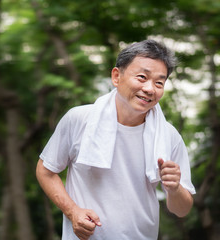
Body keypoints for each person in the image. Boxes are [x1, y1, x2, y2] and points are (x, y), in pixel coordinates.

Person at [36, 39, 196, 240]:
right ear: (116, 76)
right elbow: (46, 170)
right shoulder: (79, 120)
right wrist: (72, 211)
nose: (149, 89)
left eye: (159, 83)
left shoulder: (168, 136)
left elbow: (182, 209)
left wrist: (174, 188)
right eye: (141, 77)